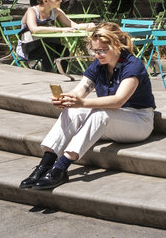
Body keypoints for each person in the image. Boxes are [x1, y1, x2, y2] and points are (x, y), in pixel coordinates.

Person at [21, 22, 156, 190]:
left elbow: (118, 101)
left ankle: (61, 168)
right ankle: (45, 165)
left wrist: (82, 103)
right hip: (111, 121)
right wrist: (67, 100)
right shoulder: (99, 65)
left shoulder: (132, 66)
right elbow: (80, 92)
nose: (98, 55)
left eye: (102, 50)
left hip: (138, 120)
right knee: (74, 111)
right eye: (95, 50)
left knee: (100, 113)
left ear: (117, 45)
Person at [17, 0, 93, 72]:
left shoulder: (56, 11)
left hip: (48, 44)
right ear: (45, 0)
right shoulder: (32, 11)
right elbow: (34, 29)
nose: (61, 0)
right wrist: (61, 29)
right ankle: (47, 76)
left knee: (64, 51)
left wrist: (88, 25)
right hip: (28, 48)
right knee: (48, 50)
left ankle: (61, 74)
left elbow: (73, 25)